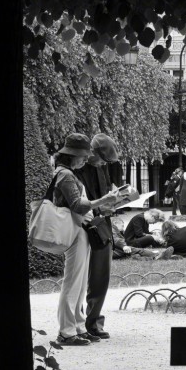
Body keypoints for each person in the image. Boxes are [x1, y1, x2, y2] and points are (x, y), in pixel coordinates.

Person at [50, 134, 119, 346]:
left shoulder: (69, 174)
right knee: (72, 282)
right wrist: (104, 200)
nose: (84, 160)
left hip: (81, 229)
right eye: (82, 156)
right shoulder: (65, 175)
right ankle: (66, 331)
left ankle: (78, 326)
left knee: (79, 283)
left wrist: (102, 205)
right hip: (75, 229)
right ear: (72, 156)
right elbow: (78, 205)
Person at [75, 133, 123, 339]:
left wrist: (115, 203)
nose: (104, 164)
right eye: (103, 159)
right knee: (77, 278)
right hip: (82, 224)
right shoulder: (78, 168)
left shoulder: (101, 168)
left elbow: (104, 196)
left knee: (101, 275)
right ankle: (77, 324)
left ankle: (93, 320)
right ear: (92, 152)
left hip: (102, 224)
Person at [110, 219, 174, 260]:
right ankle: (157, 256)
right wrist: (124, 246)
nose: (123, 228)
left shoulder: (114, 230)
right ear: (115, 223)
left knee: (135, 256)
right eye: (122, 226)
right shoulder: (112, 229)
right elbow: (116, 239)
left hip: (113, 251)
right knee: (139, 251)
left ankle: (156, 257)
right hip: (114, 251)